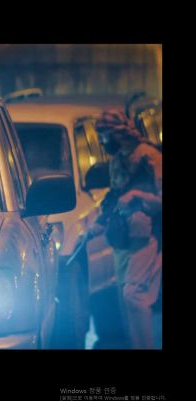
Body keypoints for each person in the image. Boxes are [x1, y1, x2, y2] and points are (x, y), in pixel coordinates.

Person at [90, 108, 162, 349]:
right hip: (123, 238)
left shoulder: (149, 157)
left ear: (118, 134)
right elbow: (114, 195)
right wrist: (100, 223)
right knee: (125, 298)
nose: (103, 142)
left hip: (147, 237)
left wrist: (137, 196)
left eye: (105, 136)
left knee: (134, 295)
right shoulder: (119, 159)